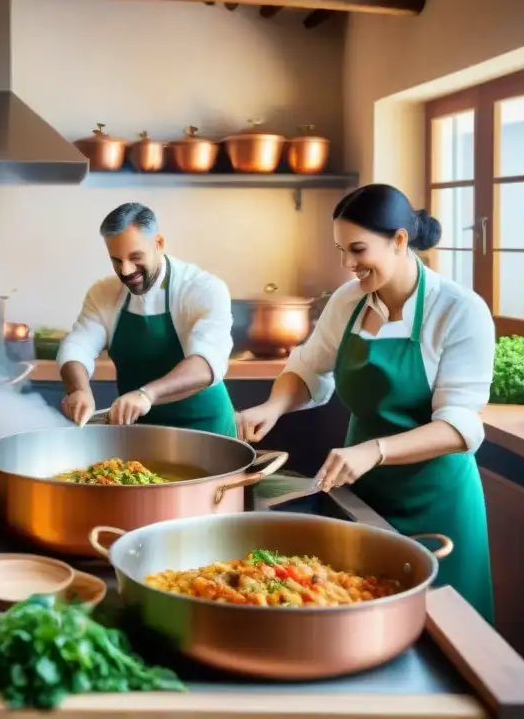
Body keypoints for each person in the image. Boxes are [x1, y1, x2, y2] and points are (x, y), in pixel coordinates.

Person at [236, 184, 495, 622]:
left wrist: (374, 450)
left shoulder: (459, 310)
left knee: (450, 636)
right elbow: (308, 367)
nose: (347, 264)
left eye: (357, 249)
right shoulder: (349, 301)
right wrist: (273, 407)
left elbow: (460, 427)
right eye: (340, 250)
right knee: (367, 617)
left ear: (399, 240)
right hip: (363, 496)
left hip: (438, 500)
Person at [57, 202, 237, 435]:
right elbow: (77, 347)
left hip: (206, 430)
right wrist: (78, 390)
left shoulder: (202, 288)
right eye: (116, 260)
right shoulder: (103, 293)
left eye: (135, 257)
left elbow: (206, 363)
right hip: (141, 431)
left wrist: (147, 394)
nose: (126, 271)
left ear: (158, 243)